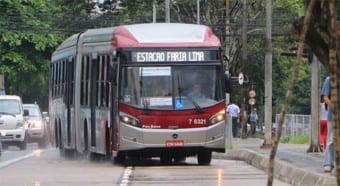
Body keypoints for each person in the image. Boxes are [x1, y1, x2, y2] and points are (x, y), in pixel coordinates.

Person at [321, 76, 333, 173]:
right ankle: (328, 163)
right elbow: (325, 98)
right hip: (333, 115)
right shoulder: (329, 79)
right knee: (331, 139)